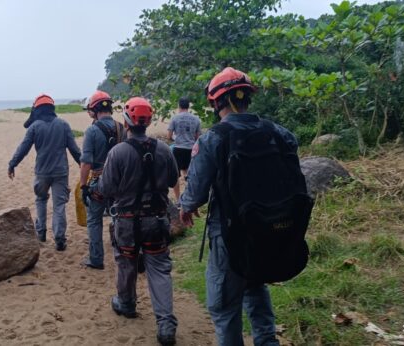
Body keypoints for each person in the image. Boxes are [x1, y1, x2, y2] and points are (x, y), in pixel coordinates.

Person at [180, 67, 300, 346]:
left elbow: (196, 192)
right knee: (255, 284)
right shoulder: (278, 132)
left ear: (216, 102)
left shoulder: (213, 138)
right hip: (270, 226)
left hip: (230, 232)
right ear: (247, 97)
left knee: (224, 307)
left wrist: (185, 207)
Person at [95, 97, 179, 345]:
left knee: (126, 263)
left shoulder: (118, 152)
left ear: (126, 122)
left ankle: (127, 303)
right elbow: (173, 179)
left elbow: (106, 188)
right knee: (159, 268)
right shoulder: (164, 149)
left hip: (127, 222)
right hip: (156, 220)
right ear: (148, 121)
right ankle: (165, 324)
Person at [9, 94, 81, 251]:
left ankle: (41, 233)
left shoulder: (34, 127)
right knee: (59, 205)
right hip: (60, 172)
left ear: (37, 110)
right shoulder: (63, 125)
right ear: (52, 108)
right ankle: (60, 239)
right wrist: (83, 164)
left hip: (42, 172)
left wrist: (12, 164)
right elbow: (74, 149)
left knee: (41, 200)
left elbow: (23, 148)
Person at [79, 90, 124, 270]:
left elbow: (86, 162)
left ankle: (96, 259)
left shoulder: (92, 131)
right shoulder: (121, 128)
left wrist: (83, 186)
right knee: (119, 217)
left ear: (95, 110)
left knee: (94, 220)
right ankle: (124, 253)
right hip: (119, 182)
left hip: (98, 182)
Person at [167, 97, 201, 203]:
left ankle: (178, 200)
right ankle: (189, 199)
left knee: (176, 176)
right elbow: (197, 138)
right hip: (191, 150)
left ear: (179, 106)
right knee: (189, 175)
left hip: (178, 149)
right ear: (188, 106)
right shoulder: (196, 119)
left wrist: (176, 139)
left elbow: (169, 136)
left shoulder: (175, 118)